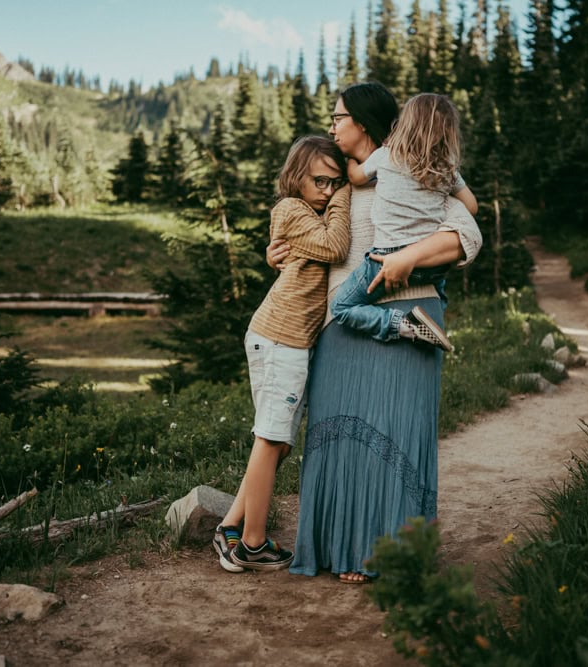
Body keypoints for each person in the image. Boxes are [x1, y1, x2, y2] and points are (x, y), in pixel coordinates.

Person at [279, 83, 482, 583]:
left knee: (395, 438)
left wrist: (408, 258)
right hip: (340, 326)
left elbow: (468, 233)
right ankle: (336, 547)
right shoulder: (337, 185)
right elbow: (304, 235)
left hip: (412, 316)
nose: (332, 125)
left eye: (338, 116)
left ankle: (386, 554)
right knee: (339, 441)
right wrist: (279, 251)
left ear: (363, 124)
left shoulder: (419, 171)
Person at [212, 136, 351, 573]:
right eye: (321, 181)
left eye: (335, 182)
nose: (328, 189)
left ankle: (230, 526)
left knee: (277, 444)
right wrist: (347, 197)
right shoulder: (291, 208)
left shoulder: (308, 213)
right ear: (296, 177)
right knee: (271, 438)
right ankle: (251, 545)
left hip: (287, 341)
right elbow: (335, 248)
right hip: (279, 339)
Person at [330, 93, 478, 352]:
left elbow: (355, 177)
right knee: (438, 290)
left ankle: (402, 324)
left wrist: (351, 161)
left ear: (405, 124)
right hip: (431, 265)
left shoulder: (386, 156)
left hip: (387, 259)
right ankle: (436, 320)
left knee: (342, 307)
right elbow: (472, 206)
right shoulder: (446, 169)